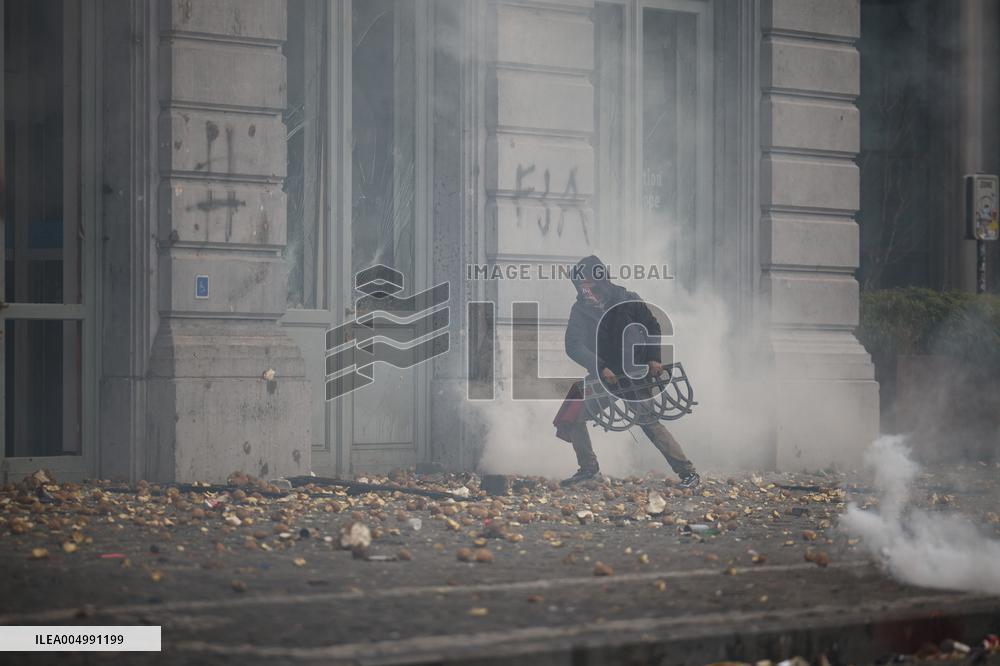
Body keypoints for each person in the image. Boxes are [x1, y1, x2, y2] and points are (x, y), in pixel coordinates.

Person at [553, 255, 701, 489]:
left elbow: (652, 325)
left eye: (587, 285)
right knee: (574, 414)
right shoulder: (580, 310)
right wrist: (600, 366)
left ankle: (688, 473)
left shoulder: (627, 300)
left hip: (634, 373)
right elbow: (574, 344)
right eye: (580, 286)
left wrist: (653, 357)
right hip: (603, 374)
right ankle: (588, 469)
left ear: (599, 280)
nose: (584, 291)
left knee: (649, 422)